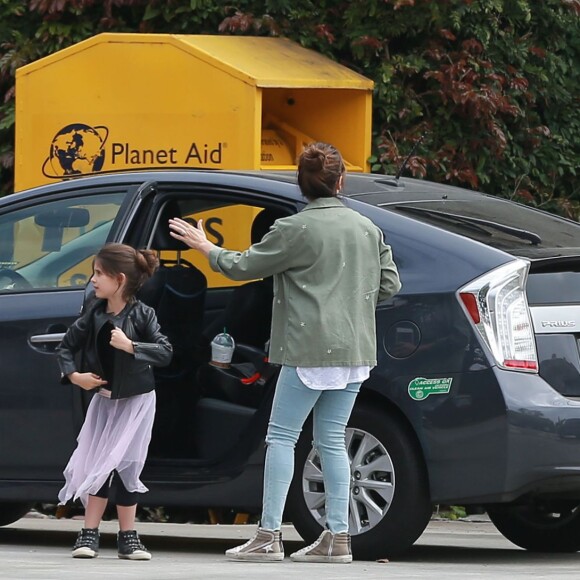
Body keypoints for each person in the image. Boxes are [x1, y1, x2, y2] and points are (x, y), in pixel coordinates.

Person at [168, 142, 401, 563]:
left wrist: (204, 246)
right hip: (355, 349)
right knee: (331, 440)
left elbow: (241, 267)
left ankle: (269, 535)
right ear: (341, 181)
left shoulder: (295, 229)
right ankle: (339, 537)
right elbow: (389, 285)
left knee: (281, 437)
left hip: (309, 347)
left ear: (301, 184)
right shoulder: (367, 227)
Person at [56, 243, 173, 561]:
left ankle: (128, 536)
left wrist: (132, 345)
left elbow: (165, 351)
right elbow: (66, 347)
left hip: (137, 403)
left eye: (98, 273)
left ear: (119, 279)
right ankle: (88, 533)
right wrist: (75, 376)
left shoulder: (143, 314)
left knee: (126, 465)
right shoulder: (94, 312)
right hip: (105, 402)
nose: (92, 280)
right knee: (98, 463)